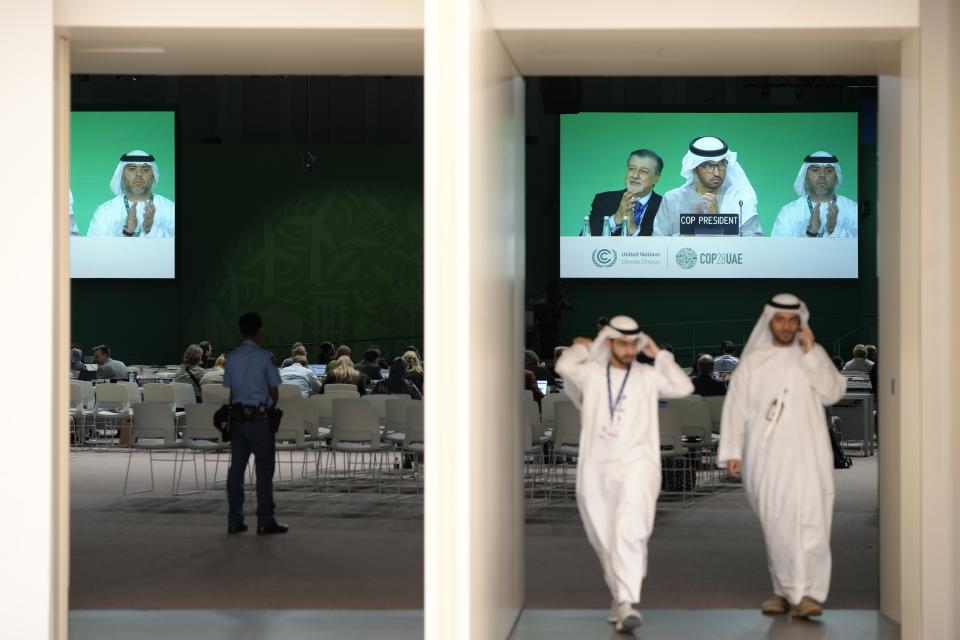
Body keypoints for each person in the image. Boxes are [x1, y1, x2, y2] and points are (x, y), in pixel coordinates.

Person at [555, 316, 693, 633]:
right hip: (596, 467)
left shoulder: (647, 375)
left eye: (634, 343)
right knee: (605, 537)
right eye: (622, 343)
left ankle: (629, 600)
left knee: (630, 529)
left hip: (637, 466)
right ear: (609, 342)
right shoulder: (590, 373)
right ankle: (620, 598)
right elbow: (564, 366)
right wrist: (581, 347)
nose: (629, 349)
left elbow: (683, 386)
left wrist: (659, 354)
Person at [718, 294, 846, 618]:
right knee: (778, 523)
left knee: (813, 521)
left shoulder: (812, 355)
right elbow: (735, 408)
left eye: (792, 320)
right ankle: (783, 588)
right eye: (781, 320)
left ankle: (806, 594)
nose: (787, 326)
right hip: (766, 455)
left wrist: (812, 353)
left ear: (800, 323)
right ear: (770, 321)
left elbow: (834, 392)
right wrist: (732, 450)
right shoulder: (753, 361)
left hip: (809, 453)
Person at [223, 312, 287, 535]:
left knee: (236, 470)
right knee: (264, 472)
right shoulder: (265, 357)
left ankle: (235, 519)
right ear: (259, 331)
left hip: (238, 418)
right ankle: (265, 520)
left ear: (240, 331)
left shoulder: (231, 358)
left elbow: (231, 394)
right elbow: (274, 392)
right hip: (260, 419)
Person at [654, 136, 762, 236]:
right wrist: (690, 232)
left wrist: (717, 221)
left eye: (721, 164)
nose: (717, 173)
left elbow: (755, 245)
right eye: (709, 166)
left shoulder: (739, 199)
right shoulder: (673, 199)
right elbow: (658, 244)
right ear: (694, 168)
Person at [87, 150, 175, 238]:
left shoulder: (170, 208)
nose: (139, 174)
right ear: (121, 176)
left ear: (153, 176)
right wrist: (127, 232)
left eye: (145, 169)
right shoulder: (105, 211)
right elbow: (95, 248)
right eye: (132, 169)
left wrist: (151, 229)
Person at [771, 151, 858, 238]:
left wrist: (835, 230)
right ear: (805, 176)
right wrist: (810, 233)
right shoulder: (788, 212)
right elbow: (780, 249)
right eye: (815, 170)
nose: (822, 175)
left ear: (836, 177)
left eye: (828, 170)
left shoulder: (853, 210)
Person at [586, 149, 665, 236]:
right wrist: (616, 219)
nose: (635, 175)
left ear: (656, 178)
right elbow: (583, 239)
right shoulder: (604, 200)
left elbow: (668, 245)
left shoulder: (665, 206)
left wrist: (634, 231)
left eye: (644, 171)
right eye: (632, 169)